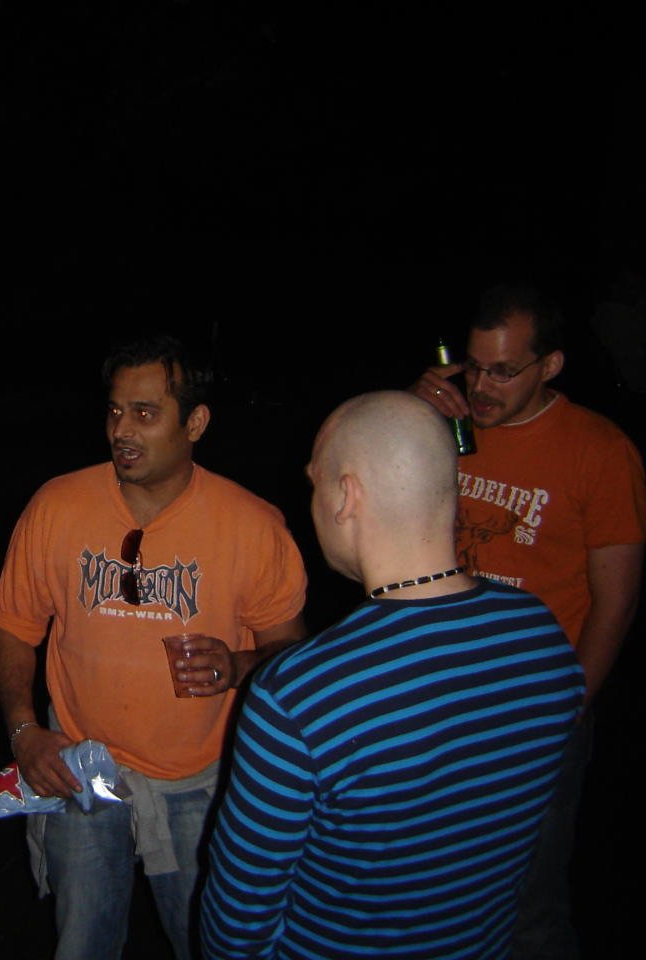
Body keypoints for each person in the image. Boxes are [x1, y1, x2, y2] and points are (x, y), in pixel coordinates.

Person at [199, 391, 586, 959]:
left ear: (347, 496)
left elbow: (238, 921)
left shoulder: (301, 695)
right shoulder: (542, 635)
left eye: (316, 483)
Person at [0, 334, 308, 960]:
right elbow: (13, 628)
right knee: (82, 944)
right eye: (115, 411)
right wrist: (24, 733)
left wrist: (239, 665)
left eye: (145, 413)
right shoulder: (57, 506)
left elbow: (291, 653)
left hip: (199, 779)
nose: (121, 431)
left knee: (208, 943)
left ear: (195, 423)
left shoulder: (251, 525)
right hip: (79, 766)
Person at [412, 284, 646, 959]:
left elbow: (616, 601)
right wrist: (409, 409)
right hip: (439, 698)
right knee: (435, 887)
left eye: (503, 371)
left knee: (528, 905)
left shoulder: (600, 451)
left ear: (551, 366)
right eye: (473, 366)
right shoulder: (448, 426)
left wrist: (572, 703)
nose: (481, 387)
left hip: (532, 708)